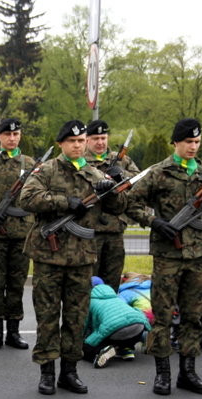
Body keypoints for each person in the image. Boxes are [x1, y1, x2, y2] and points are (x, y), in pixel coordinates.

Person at [20, 119, 127, 395]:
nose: (78, 145)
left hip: (81, 258)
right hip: (50, 257)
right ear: (61, 144)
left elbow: (118, 207)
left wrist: (114, 186)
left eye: (81, 141)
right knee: (47, 316)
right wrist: (64, 203)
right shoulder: (47, 170)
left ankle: (69, 371)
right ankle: (46, 371)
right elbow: (27, 198)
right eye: (72, 141)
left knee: (76, 317)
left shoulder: (94, 174)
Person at [126, 118, 202, 395]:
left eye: (197, 142)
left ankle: (188, 372)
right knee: (162, 316)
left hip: (197, 257)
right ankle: (162, 374)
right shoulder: (159, 173)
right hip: (168, 255)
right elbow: (129, 202)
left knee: (193, 318)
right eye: (188, 142)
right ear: (176, 143)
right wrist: (154, 221)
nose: (193, 147)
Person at [0, 118, 33, 351]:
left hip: (22, 234)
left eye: (16, 134)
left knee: (17, 283)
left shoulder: (30, 164)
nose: (13, 138)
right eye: (8, 134)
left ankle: (14, 330)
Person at [84, 120, 141, 290]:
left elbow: (139, 182)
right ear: (87, 139)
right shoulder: (81, 162)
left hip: (115, 231)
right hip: (90, 231)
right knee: (89, 283)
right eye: (95, 138)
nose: (100, 142)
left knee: (112, 282)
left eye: (103, 137)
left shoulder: (121, 161)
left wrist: (121, 175)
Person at [83, 276, 151, 369]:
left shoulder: (90, 301)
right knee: (121, 333)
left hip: (116, 329)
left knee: (86, 348)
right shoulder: (116, 296)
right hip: (139, 325)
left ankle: (99, 352)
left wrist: (82, 341)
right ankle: (124, 347)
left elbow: (85, 324)